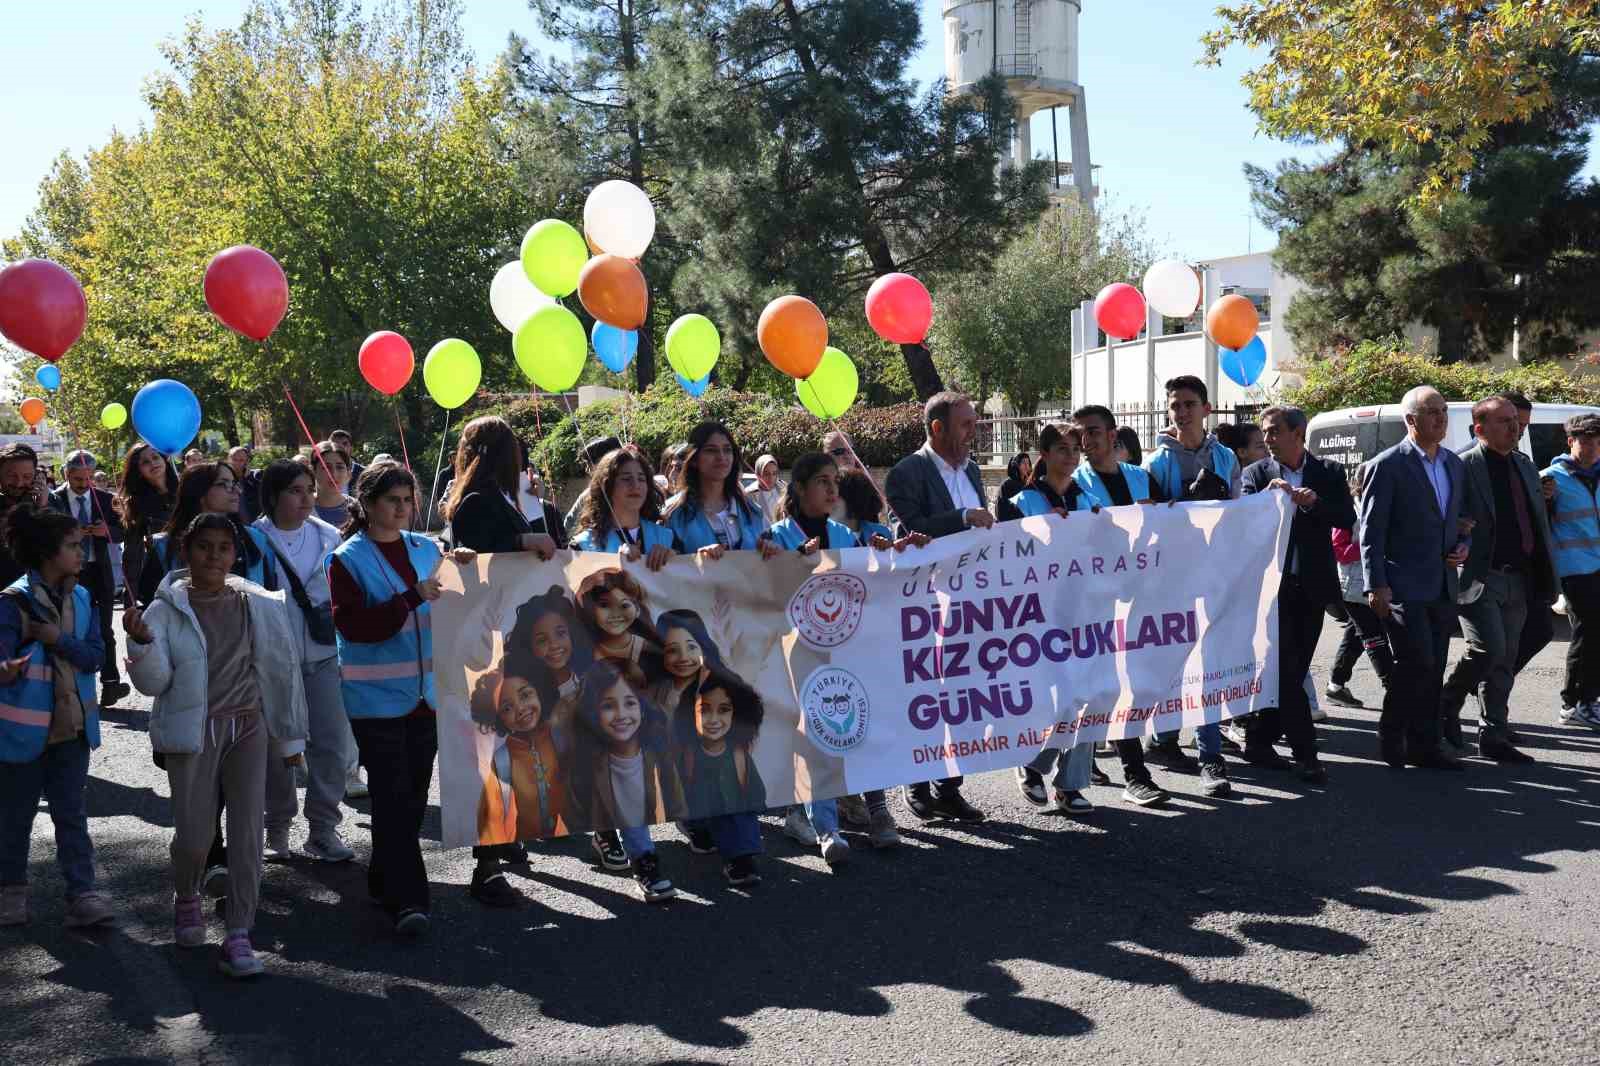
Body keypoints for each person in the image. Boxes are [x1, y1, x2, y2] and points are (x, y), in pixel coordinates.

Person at [124, 514, 308, 977]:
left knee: (247, 834)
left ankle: (239, 933)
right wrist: (141, 645)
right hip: (194, 733)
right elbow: (154, 684)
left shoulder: (258, 603)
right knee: (195, 834)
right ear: (186, 551)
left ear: (234, 555)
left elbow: (281, 674)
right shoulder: (163, 611)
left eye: (224, 548)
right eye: (204, 546)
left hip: (249, 728)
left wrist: (289, 740)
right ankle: (187, 896)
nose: (214, 556)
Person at [328, 463, 472, 936]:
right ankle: (409, 901)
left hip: (425, 698)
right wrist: (411, 598)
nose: (402, 508)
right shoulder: (346, 559)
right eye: (392, 499)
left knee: (409, 801)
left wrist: (468, 567)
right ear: (367, 504)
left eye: (408, 499)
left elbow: (459, 603)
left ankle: (381, 876)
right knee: (391, 798)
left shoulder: (428, 548)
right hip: (375, 700)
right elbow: (354, 628)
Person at [764, 452, 923, 857]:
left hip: (849, 649)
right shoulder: (776, 536)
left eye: (835, 481)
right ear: (799, 489)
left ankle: (879, 811)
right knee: (816, 734)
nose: (833, 489)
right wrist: (792, 563)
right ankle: (826, 827)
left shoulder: (843, 534)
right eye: (822, 481)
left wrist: (888, 552)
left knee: (862, 726)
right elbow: (765, 590)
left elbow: (868, 584)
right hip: (801, 653)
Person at [437, 416, 560, 908]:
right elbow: (480, 553)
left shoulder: (501, 499)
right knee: (487, 745)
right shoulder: (477, 502)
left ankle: (503, 837)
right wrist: (523, 543)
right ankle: (485, 863)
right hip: (484, 640)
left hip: (505, 635)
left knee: (506, 741)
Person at [661, 421, 778, 886]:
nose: (721, 458)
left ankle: (741, 847)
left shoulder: (750, 511)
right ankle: (700, 818)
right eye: (711, 451)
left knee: (736, 739)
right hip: (696, 644)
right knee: (703, 739)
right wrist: (688, 562)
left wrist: (769, 549)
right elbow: (661, 577)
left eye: (728, 450)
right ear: (694, 458)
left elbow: (766, 564)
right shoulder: (675, 516)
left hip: (745, 641)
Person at [0, 503, 115, 929]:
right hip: (22, 735)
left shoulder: (84, 598)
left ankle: (82, 893)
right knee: (15, 815)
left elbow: (95, 657)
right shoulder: (12, 602)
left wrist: (54, 638)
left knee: (71, 815)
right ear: (48, 553)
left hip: (73, 731)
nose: (81, 554)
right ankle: (11, 889)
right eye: (72, 546)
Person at [885, 391, 992, 823]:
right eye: (966, 424)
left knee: (963, 697)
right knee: (928, 697)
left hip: (970, 603)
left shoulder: (972, 470)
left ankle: (949, 787)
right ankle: (917, 784)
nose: (973, 431)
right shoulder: (906, 473)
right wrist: (963, 519)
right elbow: (911, 530)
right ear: (938, 428)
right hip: (925, 603)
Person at [1240, 406, 1354, 784]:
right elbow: (1240, 522)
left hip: (1313, 587)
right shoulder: (1256, 474)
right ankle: (1307, 754)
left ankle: (1259, 739)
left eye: (1274, 432)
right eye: (1265, 433)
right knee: (1287, 671)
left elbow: (1344, 517)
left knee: (1292, 670)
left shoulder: (1329, 472)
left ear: (1298, 434)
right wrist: (1264, 503)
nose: (1268, 440)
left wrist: (1313, 502)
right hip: (1273, 590)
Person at [1437, 398, 1555, 764]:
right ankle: (1447, 702)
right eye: (1504, 421)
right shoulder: (1461, 465)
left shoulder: (1523, 465)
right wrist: (1456, 529)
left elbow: (1534, 521)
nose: (1515, 427)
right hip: (1478, 575)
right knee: (1487, 649)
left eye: (1515, 422)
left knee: (1504, 660)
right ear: (1479, 429)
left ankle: (1493, 734)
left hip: (1519, 577)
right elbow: (1443, 513)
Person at [252, 460, 357, 862]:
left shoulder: (331, 537)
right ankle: (276, 828)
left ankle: (323, 828)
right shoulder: (253, 539)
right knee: (280, 744)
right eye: (295, 490)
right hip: (272, 659)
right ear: (274, 494)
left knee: (330, 742)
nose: (306, 498)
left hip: (324, 653)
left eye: (310, 489)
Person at [1360, 385, 1468, 770]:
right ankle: (1392, 736)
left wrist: (1463, 544)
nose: (1440, 418)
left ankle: (1425, 746)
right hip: (1402, 584)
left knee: (1434, 665)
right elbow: (1370, 532)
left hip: (1442, 582)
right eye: (1432, 411)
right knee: (1415, 662)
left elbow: (1458, 520)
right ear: (1411, 420)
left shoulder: (1454, 464)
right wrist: (1376, 584)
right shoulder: (1387, 465)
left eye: (1443, 410)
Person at [1071, 405, 1169, 807]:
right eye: (1080, 434)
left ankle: (1086, 766)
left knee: (1128, 684)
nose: (1086, 441)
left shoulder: (1141, 479)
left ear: (1113, 436)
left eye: (1093, 432)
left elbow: (1168, 529)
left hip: (1140, 597)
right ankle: (1134, 773)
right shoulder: (1073, 486)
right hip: (1094, 604)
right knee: (1106, 687)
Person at [1142, 376, 1239, 775]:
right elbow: (1148, 522)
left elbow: (1239, 515)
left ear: (1206, 409)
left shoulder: (1226, 459)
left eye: (1188, 404)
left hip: (1213, 575)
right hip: (1171, 581)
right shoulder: (1156, 461)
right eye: (1175, 405)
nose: (1181, 412)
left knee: (1208, 663)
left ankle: (1209, 754)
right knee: (1178, 664)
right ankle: (1166, 739)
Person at [1008, 424, 1095, 813]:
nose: (1071, 456)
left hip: (1085, 611)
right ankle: (1031, 762)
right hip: (1037, 615)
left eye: (1076, 449)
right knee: (1048, 698)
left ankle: (1070, 783)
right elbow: (1009, 557)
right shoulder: (1020, 501)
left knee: (1086, 696)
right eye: (1062, 449)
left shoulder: (1090, 500)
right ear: (1044, 454)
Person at [565, 661, 686, 901]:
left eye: (630, 703)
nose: (621, 714)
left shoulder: (654, 746)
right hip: (599, 799)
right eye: (608, 705)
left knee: (633, 805)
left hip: (636, 800)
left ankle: (640, 857)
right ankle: (635, 855)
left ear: (642, 708)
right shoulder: (587, 753)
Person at [49, 451, 127, 705]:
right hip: (68, 575)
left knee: (104, 630)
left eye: (88, 479)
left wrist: (107, 531)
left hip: (98, 571)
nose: (83, 484)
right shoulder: (55, 500)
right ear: (66, 475)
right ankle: (73, 685)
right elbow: (45, 536)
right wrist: (70, 535)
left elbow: (122, 532)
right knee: (70, 630)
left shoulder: (105, 499)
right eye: (77, 479)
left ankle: (110, 683)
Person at [1542, 413, 1600, 730]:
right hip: (1574, 570)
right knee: (1587, 633)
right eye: (1585, 440)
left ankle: (1588, 700)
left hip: (1598, 567)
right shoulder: (1551, 478)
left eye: (1596, 440)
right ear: (1571, 442)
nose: (1591, 446)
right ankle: (1574, 703)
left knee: (1595, 635)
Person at [1326, 466, 1394, 706]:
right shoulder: (1348, 512)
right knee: (1374, 638)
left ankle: (1335, 685)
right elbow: (1339, 551)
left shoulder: (1380, 506)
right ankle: (1395, 691)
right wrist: (1370, 546)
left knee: (1357, 636)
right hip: (1354, 588)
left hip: (1375, 583)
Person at [116, 443, 179, 610]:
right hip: (160, 582)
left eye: (155, 457)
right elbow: (132, 555)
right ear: (138, 471)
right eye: (145, 462)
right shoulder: (136, 506)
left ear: (165, 460)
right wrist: (131, 599)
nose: (153, 463)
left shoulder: (187, 491)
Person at [0, 443, 42, 590]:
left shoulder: (51, 502)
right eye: (12, 476)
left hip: (34, 594)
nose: (19, 483)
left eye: (27, 477)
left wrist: (42, 508)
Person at [564, 436, 624, 537]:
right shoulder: (587, 496)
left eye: (588, 464)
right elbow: (567, 528)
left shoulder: (640, 488)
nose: (587, 470)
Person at [311, 441, 355, 529]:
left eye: (340, 467)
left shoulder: (359, 510)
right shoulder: (301, 510)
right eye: (326, 467)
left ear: (349, 474)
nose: (333, 474)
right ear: (313, 472)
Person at [228, 446, 261, 524]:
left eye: (241, 460)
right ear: (228, 460)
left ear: (247, 462)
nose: (237, 463)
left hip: (253, 524)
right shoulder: (224, 479)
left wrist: (247, 478)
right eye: (234, 459)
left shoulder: (255, 477)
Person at [749, 454, 785, 526]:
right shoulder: (749, 494)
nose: (771, 478)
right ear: (758, 474)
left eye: (774, 473)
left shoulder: (783, 487)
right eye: (766, 474)